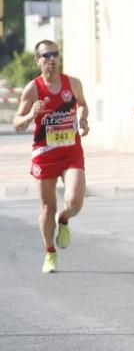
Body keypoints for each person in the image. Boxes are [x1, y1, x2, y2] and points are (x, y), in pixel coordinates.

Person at [12, 40, 89, 273]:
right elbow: (17, 123)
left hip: (71, 152)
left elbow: (83, 105)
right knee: (48, 207)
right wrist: (29, 116)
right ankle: (49, 253)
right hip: (45, 155)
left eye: (55, 54)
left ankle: (64, 220)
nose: (52, 59)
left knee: (74, 201)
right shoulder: (33, 88)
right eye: (46, 56)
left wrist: (83, 118)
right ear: (38, 60)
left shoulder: (73, 83)